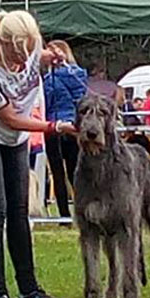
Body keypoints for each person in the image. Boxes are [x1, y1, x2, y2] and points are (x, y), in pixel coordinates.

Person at [0, 10, 74, 298]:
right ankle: (0, 297)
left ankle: (30, 292)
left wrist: (50, 57)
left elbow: (41, 56)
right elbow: (10, 119)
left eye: (29, 52)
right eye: (16, 54)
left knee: (20, 211)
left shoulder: (30, 41)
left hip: (16, 139)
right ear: (3, 41)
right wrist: (53, 127)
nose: (23, 62)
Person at [42, 39, 88, 218]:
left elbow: (77, 96)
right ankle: (71, 213)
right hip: (62, 126)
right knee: (65, 171)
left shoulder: (66, 75)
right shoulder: (51, 78)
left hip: (62, 125)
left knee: (66, 171)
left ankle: (72, 213)